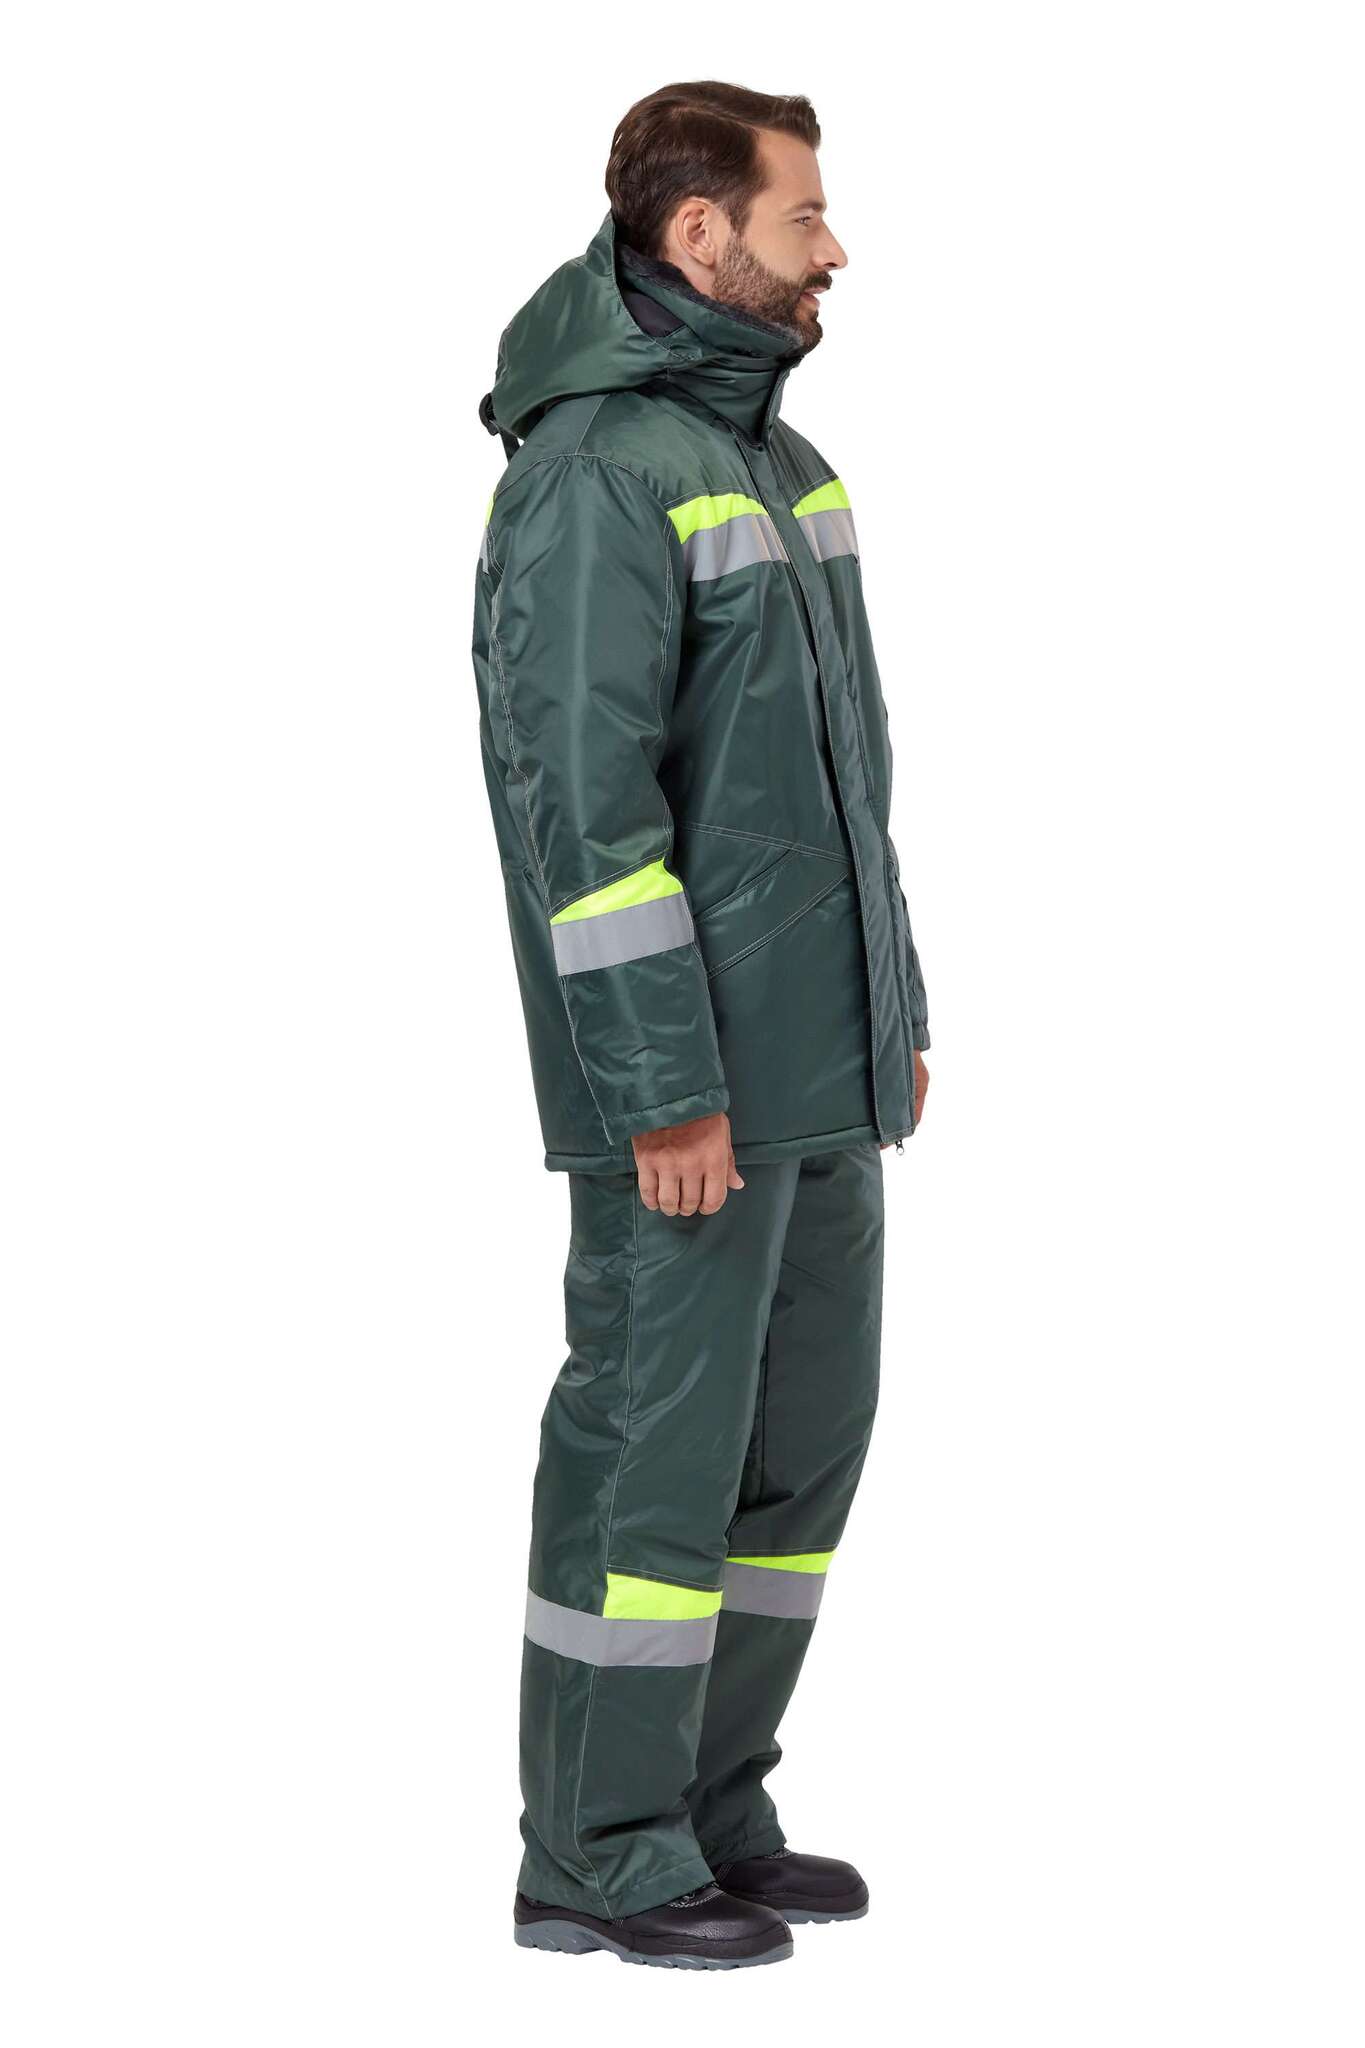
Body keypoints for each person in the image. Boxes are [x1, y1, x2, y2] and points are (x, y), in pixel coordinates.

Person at [472, 79, 931, 1970]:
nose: (835, 249)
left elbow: (840, 795)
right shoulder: (599, 472)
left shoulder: (777, 461)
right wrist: (659, 1086)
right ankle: (594, 1848)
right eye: (803, 215)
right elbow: (584, 820)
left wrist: (892, 1013)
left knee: (793, 1460)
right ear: (698, 235)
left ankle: (709, 1804)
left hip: (815, 1077)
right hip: (690, 1098)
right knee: (653, 1463)